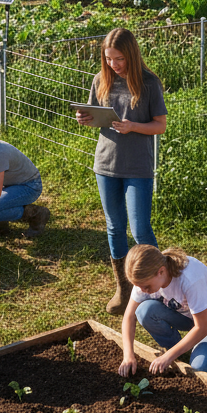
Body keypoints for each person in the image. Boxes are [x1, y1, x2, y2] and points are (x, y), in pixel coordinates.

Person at [75, 28, 167, 315]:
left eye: (119, 58)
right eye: (109, 58)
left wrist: (133, 127)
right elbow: (96, 118)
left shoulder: (149, 84)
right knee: (114, 227)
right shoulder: (101, 80)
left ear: (131, 54)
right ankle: (124, 288)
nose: (114, 64)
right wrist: (85, 119)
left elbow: (159, 125)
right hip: (106, 164)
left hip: (138, 167)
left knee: (140, 229)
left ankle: (160, 284)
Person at [119, 244, 207, 377]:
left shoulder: (189, 278)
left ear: (161, 271)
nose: (142, 291)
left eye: (146, 286)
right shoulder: (146, 279)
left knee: (202, 367)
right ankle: (181, 352)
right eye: (138, 286)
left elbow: (202, 327)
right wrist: (128, 355)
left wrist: (168, 356)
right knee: (144, 311)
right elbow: (129, 317)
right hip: (187, 314)